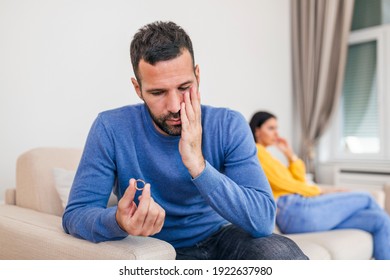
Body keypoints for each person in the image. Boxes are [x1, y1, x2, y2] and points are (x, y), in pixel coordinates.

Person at [62, 21, 307, 260]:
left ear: (197, 76)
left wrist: (198, 164)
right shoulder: (111, 128)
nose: (174, 105)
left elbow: (263, 220)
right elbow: (75, 214)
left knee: (280, 253)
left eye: (184, 87)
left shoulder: (229, 124)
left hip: (220, 236)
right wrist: (117, 220)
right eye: (157, 92)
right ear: (138, 89)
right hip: (154, 248)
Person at [249, 111, 390, 260]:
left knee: (378, 219)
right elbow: (287, 184)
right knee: (366, 197)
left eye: (277, 128)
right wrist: (322, 190)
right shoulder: (256, 151)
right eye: (271, 128)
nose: (276, 133)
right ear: (257, 130)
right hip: (293, 208)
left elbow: (299, 180)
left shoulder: (268, 155)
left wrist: (290, 156)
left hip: (296, 211)